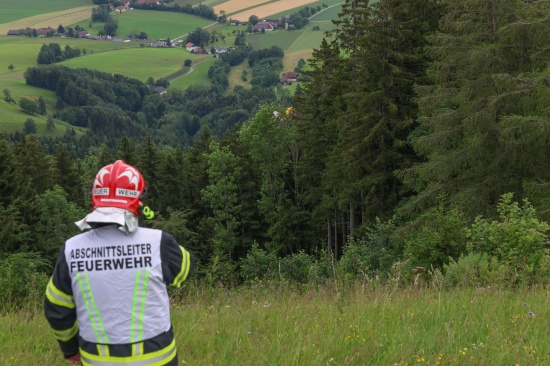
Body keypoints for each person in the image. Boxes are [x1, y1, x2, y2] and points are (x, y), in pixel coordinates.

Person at [44, 160, 194, 365]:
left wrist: (70, 350)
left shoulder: (71, 249)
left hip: (97, 359)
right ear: (138, 200)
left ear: (95, 198)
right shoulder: (160, 242)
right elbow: (186, 269)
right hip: (158, 359)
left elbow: (56, 308)